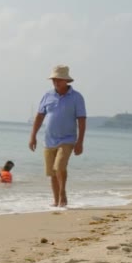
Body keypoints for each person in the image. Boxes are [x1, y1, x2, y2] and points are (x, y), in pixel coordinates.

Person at [29, 65, 86, 207]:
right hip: (49, 140)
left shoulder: (77, 97)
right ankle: (56, 201)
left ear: (66, 80)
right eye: (54, 80)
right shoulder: (47, 96)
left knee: (59, 166)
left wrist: (80, 142)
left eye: (59, 80)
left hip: (67, 139)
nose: (56, 82)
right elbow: (39, 116)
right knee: (52, 173)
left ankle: (62, 193)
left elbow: (82, 120)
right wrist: (33, 136)